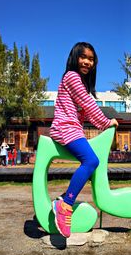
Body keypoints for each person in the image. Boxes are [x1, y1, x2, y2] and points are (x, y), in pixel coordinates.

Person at [50, 42, 118, 238]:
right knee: (91, 160)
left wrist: (101, 123)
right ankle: (65, 205)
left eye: (91, 59)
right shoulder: (71, 77)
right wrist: (106, 122)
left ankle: (63, 199)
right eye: (83, 57)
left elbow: (85, 109)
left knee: (91, 161)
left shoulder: (80, 83)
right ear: (74, 58)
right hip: (65, 127)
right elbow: (88, 105)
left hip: (73, 128)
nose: (87, 62)